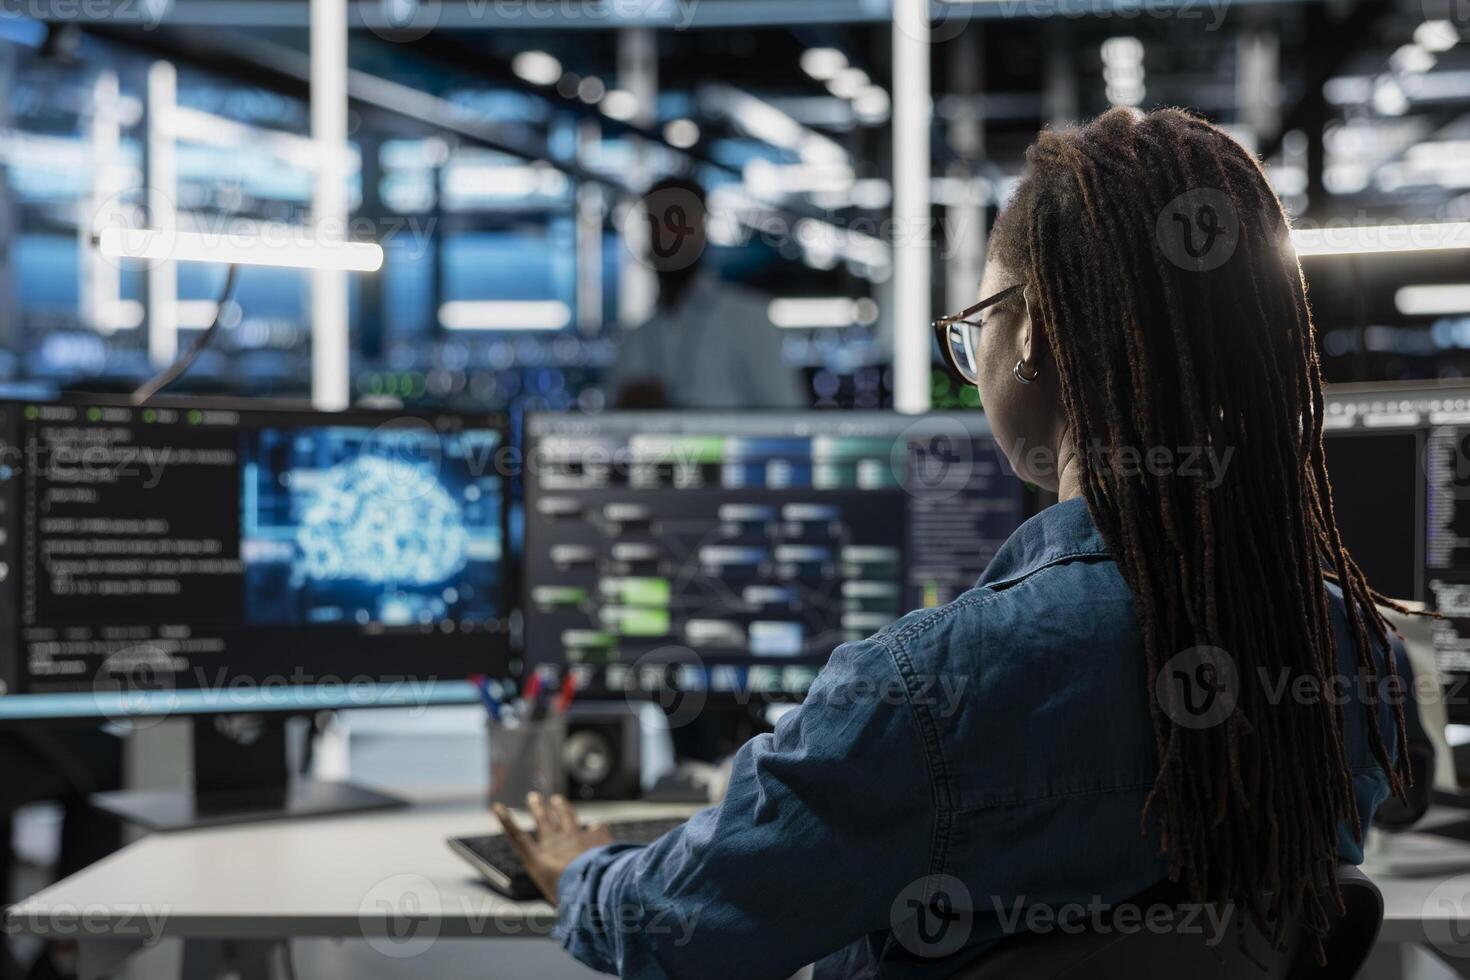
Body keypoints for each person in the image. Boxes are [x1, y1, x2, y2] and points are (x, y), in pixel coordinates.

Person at [494, 108, 1409, 978]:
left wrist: (581, 871)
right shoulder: (1352, 656)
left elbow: (679, 930)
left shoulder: (927, 691)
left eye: (972, 332)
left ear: (1034, 332)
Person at [606, 177, 807, 409]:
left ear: (702, 229)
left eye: (679, 224)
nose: (668, 238)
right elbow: (610, 423)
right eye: (658, 224)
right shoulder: (638, 337)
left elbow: (789, 420)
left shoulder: (747, 319)